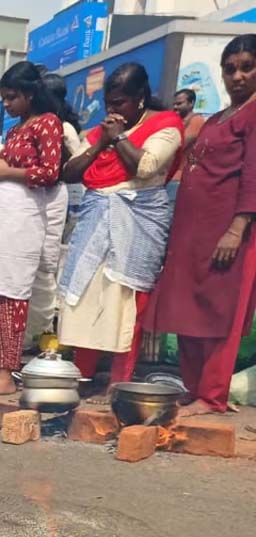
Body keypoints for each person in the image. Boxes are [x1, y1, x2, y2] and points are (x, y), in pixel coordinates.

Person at [146, 34, 256, 416]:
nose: (237, 76)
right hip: (194, 230)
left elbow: (253, 175)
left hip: (229, 229)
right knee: (188, 308)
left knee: (219, 311)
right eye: (230, 69)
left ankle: (212, 395)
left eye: (247, 67)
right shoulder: (218, 117)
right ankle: (194, 388)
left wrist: (237, 228)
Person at [58, 63, 182, 392]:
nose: (112, 110)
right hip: (96, 221)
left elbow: (146, 166)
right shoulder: (100, 134)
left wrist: (121, 138)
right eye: (110, 103)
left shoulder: (166, 126)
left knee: (126, 304)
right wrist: (102, 144)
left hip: (138, 221)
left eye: (120, 103)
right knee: (86, 296)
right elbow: (70, 172)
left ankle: (120, 383)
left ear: (140, 99)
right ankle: (81, 377)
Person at [0, 61, 66, 396]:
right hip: (0, 219)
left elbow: (50, 172)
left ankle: (7, 370)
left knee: (12, 294)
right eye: (4, 98)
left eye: (11, 97)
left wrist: (6, 173)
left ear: (30, 94)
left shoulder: (48, 124)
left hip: (22, 221)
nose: (5, 104)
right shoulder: (18, 129)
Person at [26, 73, 81, 344]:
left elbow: (77, 164)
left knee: (46, 264)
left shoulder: (65, 128)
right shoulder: (30, 125)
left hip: (53, 196)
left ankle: (39, 332)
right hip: (30, 197)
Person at [171, 87, 206, 188]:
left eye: (179, 104)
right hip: (171, 176)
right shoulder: (178, 121)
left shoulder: (196, 120)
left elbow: (180, 145)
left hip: (180, 177)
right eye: (174, 104)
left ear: (191, 103)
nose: (175, 107)